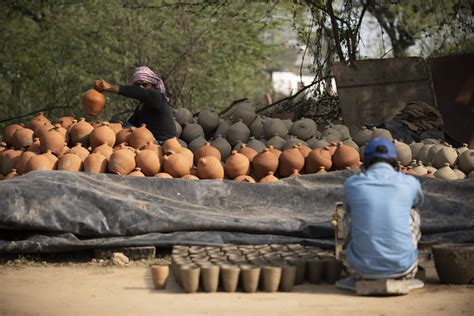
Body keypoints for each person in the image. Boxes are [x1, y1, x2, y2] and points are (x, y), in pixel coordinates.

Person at [336, 138, 424, 291]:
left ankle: (361, 260)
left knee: (345, 213)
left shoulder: (352, 184)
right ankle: (399, 258)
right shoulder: (410, 182)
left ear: (366, 162)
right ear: (395, 161)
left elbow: (348, 212)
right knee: (412, 211)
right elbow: (418, 202)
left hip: (359, 271)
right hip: (404, 270)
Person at [94, 66, 176, 143]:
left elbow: (142, 93)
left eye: (144, 85)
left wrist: (110, 87)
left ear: (153, 86)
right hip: (146, 139)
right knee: (116, 122)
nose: (140, 87)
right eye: (137, 85)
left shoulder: (157, 97)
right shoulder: (142, 106)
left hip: (162, 143)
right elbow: (132, 124)